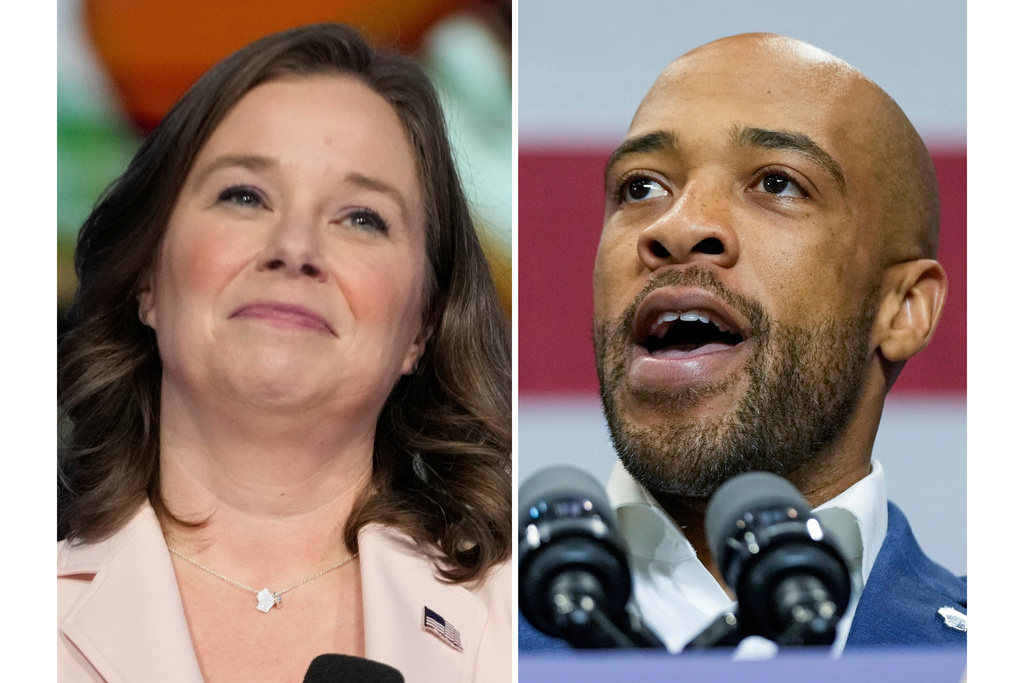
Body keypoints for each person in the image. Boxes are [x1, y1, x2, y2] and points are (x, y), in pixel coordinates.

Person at [58, 23, 512, 682]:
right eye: (244, 195)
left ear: (423, 324)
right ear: (147, 279)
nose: (296, 246)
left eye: (362, 217)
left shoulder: (530, 626)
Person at [520, 33, 965, 654]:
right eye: (641, 187)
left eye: (778, 184)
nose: (675, 226)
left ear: (902, 309)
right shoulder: (460, 642)